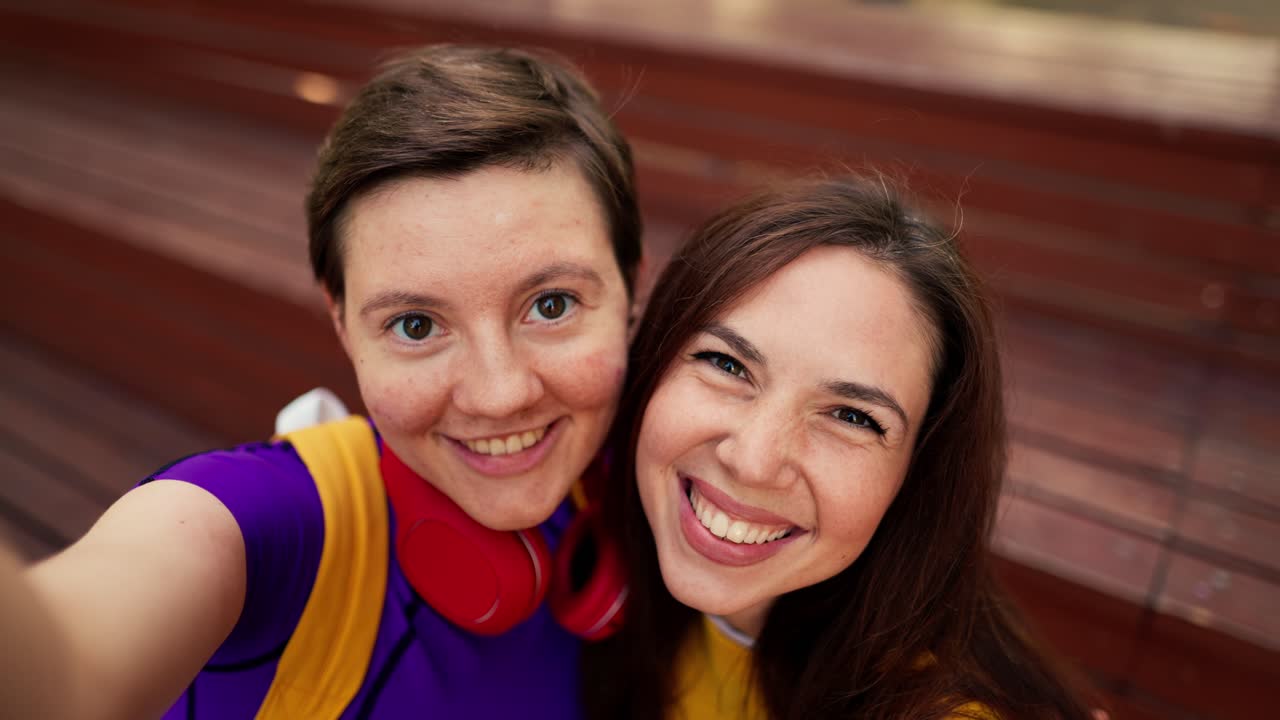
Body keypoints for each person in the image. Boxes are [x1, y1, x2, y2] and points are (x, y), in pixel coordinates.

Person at [0, 44, 641, 720]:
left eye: (552, 305)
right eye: (417, 325)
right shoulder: (266, 524)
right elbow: (65, 672)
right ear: (343, 326)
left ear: (631, 286)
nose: (499, 393)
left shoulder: (651, 474)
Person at [582, 175, 1101, 720]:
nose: (754, 461)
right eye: (727, 364)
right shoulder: (594, 544)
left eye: (852, 416)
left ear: (918, 470)